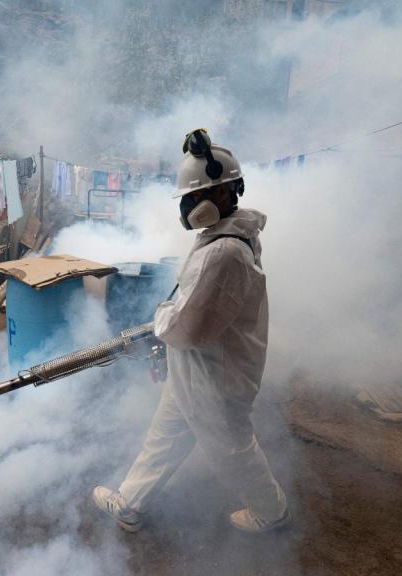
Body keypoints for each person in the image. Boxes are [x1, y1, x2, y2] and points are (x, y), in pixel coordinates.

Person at [92, 129, 288, 534]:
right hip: (199, 369)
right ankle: (131, 503)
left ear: (222, 194)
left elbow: (188, 327)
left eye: (192, 196)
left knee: (233, 449)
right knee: (165, 435)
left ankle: (272, 513)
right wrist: (169, 331)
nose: (186, 206)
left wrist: (161, 322)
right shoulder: (226, 237)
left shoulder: (224, 251)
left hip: (213, 377)